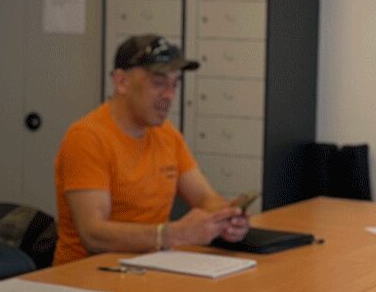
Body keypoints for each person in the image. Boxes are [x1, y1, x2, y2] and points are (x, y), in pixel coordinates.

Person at [52, 34, 250, 264]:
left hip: (149, 267)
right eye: (158, 83)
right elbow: (94, 235)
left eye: (174, 85)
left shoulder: (167, 135)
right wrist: (174, 234)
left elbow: (205, 197)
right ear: (121, 82)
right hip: (87, 276)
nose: (169, 96)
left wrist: (228, 218)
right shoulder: (87, 137)